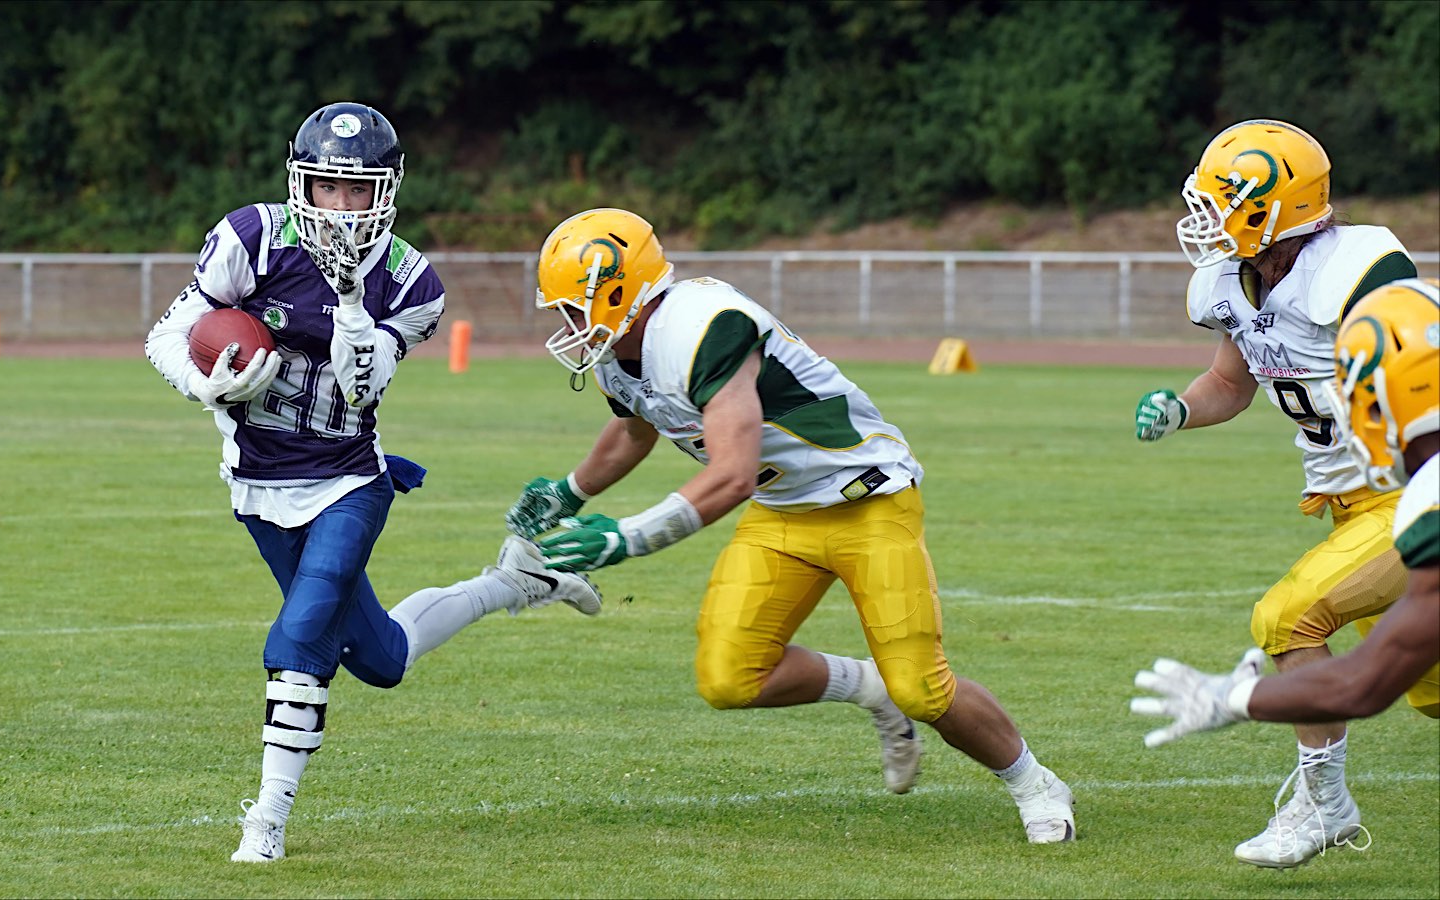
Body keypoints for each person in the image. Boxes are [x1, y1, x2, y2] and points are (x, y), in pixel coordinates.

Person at [505, 207, 1076, 844]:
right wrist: (571, 490)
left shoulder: (703, 328)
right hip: (786, 515)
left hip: (866, 499)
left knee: (922, 687)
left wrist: (627, 536)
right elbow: (637, 425)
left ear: (619, 291)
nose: (567, 326)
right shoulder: (624, 352)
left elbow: (733, 474)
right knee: (729, 675)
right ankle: (868, 689)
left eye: (574, 309)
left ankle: (1036, 784)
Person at [146, 101, 603, 863]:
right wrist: (205, 388)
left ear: (385, 191)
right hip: (258, 485)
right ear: (304, 185)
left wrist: (352, 297)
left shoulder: (410, 282)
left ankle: (266, 820)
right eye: (329, 187)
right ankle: (515, 582)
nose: (343, 205)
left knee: (300, 635)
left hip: (349, 482)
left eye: (359, 191)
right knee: (383, 659)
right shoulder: (251, 239)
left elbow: (360, 387)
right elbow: (167, 335)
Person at [1131, 119, 1436, 868]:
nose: (1201, 214)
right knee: (1430, 690)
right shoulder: (1230, 283)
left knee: (1288, 619)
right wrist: (1180, 409)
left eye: (1220, 198)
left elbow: (1410, 348)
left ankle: (1322, 806)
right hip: (1350, 505)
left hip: (1408, 490)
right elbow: (1229, 384)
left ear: (1274, 205)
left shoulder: (1354, 267)